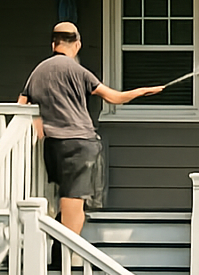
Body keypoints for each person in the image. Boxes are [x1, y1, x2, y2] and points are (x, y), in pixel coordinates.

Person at [18, 21, 162, 239]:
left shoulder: (38, 72)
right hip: (79, 145)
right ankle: (64, 254)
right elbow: (114, 97)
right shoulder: (78, 71)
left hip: (53, 145)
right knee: (74, 203)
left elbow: (21, 104)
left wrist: (37, 123)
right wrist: (142, 91)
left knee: (67, 199)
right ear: (77, 44)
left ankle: (59, 247)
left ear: (53, 44)